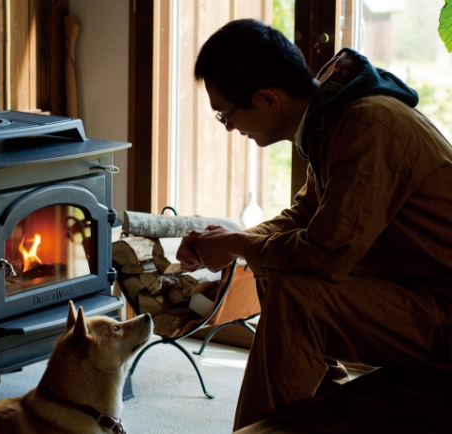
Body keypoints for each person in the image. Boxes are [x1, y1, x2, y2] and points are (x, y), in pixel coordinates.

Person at [176, 18, 452, 430]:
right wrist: (232, 239)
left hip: (443, 310)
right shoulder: (333, 117)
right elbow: (303, 218)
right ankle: (324, 411)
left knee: (298, 294)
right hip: (419, 294)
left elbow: (326, 254)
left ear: (268, 100)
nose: (230, 127)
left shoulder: (366, 126)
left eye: (225, 115)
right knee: (281, 272)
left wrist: (238, 246)